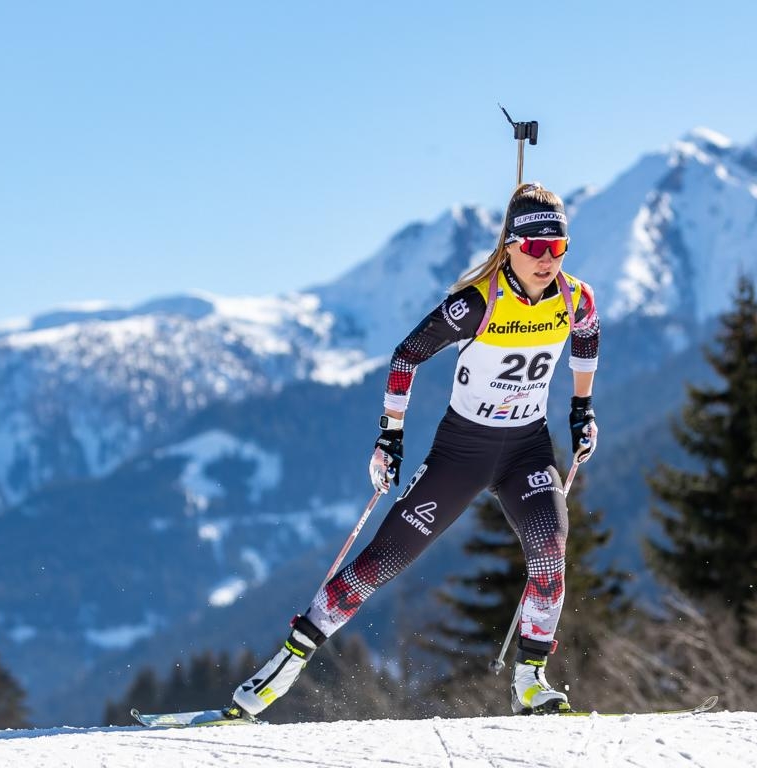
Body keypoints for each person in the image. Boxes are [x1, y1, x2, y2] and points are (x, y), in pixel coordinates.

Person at [224, 182, 600, 719]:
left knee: (550, 553)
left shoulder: (574, 298)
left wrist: (581, 411)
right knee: (380, 562)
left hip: (526, 450)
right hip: (462, 452)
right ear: (511, 244)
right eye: (536, 247)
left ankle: (531, 682)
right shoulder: (479, 300)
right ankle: (283, 667)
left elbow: (586, 339)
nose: (548, 259)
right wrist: (390, 436)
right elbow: (405, 357)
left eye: (558, 247)